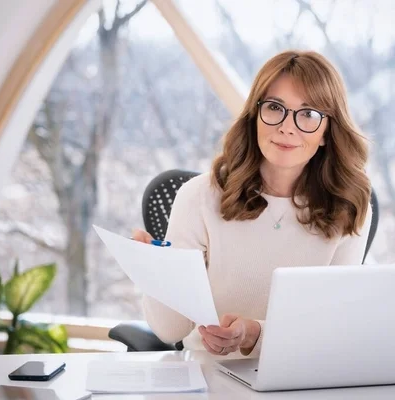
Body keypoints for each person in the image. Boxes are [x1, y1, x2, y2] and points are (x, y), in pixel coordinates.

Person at [132, 50, 373, 358]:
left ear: (327, 132)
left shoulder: (348, 205)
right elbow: (170, 330)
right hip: (209, 374)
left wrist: (255, 334)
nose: (288, 127)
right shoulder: (199, 197)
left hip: (302, 373)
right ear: (255, 116)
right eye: (275, 108)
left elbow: (331, 325)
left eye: (309, 114)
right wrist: (158, 271)